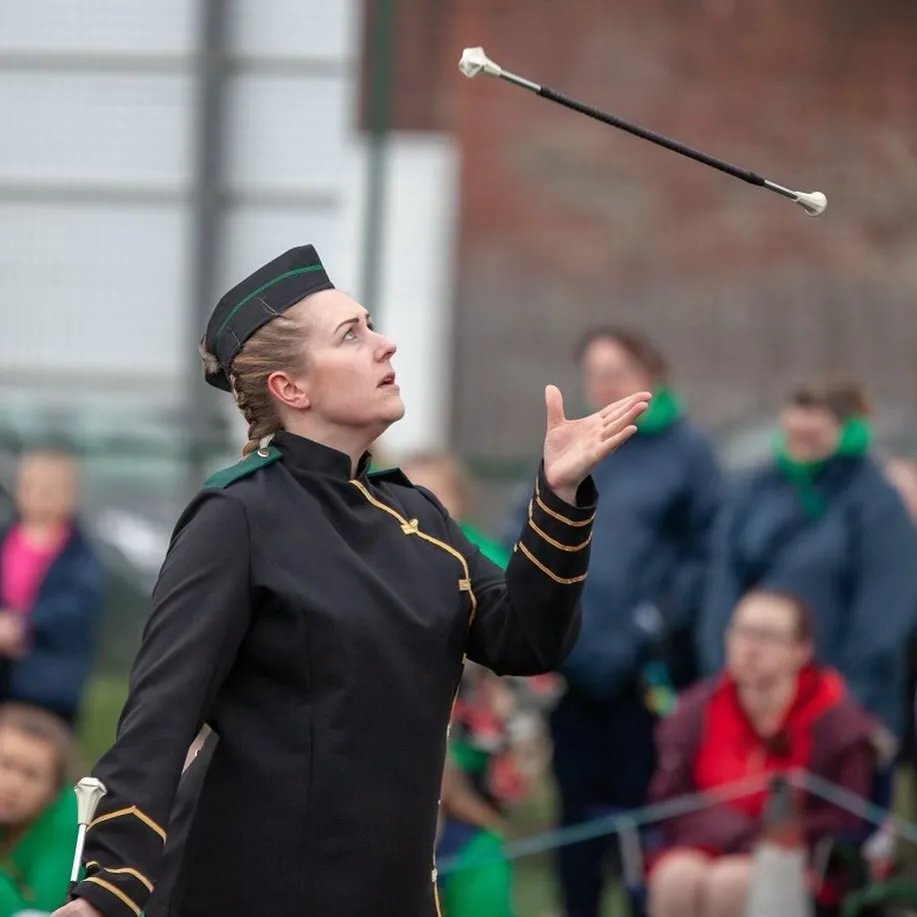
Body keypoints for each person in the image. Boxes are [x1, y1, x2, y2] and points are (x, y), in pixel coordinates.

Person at [53, 244, 650, 917]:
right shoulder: (236, 516)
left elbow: (526, 639)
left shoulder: (418, 516)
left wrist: (559, 495)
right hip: (249, 891)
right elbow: (161, 715)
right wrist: (106, 891)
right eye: (351, 335)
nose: (385, 344)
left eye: (370, 324)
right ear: (290, 388)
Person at [506, 327, 721, 917]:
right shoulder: (575, 443)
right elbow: (525, 525)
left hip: (647, 672)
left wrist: (654, 623)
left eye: (618, 368)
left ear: (650, 371)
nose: (605, 382)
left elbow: (706, 555)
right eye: (595, 371)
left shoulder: (687, 453)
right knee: (576, 813)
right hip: (574, 665)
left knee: (642, 811)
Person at [696, 381, 917, 751]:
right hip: (753, 700)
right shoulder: (752, 490)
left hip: (845, 705)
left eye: (813, 431)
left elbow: (884, 615)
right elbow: (721, 589)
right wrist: (728, 677)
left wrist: (839, 703)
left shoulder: (876, 502)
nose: (800, 442)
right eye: (793, 430)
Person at [647, 589, 876, 917]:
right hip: (703, 842)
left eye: (766, 636)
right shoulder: (695, 710)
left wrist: (767, 842)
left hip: (796, 858)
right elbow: (669, 800)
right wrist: (738, 834)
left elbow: (846, 817)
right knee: (674, 879)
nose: (749, 647)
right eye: (741, 632)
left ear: (801, 650)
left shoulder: (837, 722)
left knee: (733, 884)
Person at [0, 448, 106, 726]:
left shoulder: (79, 554)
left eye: (51, 488)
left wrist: (23, 625)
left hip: (49, 681)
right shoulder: (7, 538)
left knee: (42, 742)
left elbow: (78, 605)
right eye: (32, 486)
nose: (41, 496)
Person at [0, 702, 79, 915]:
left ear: (55, 790)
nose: (13, 784)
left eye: (31, 775)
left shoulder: (69, 823)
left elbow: (43, 909)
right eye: (5, 764)